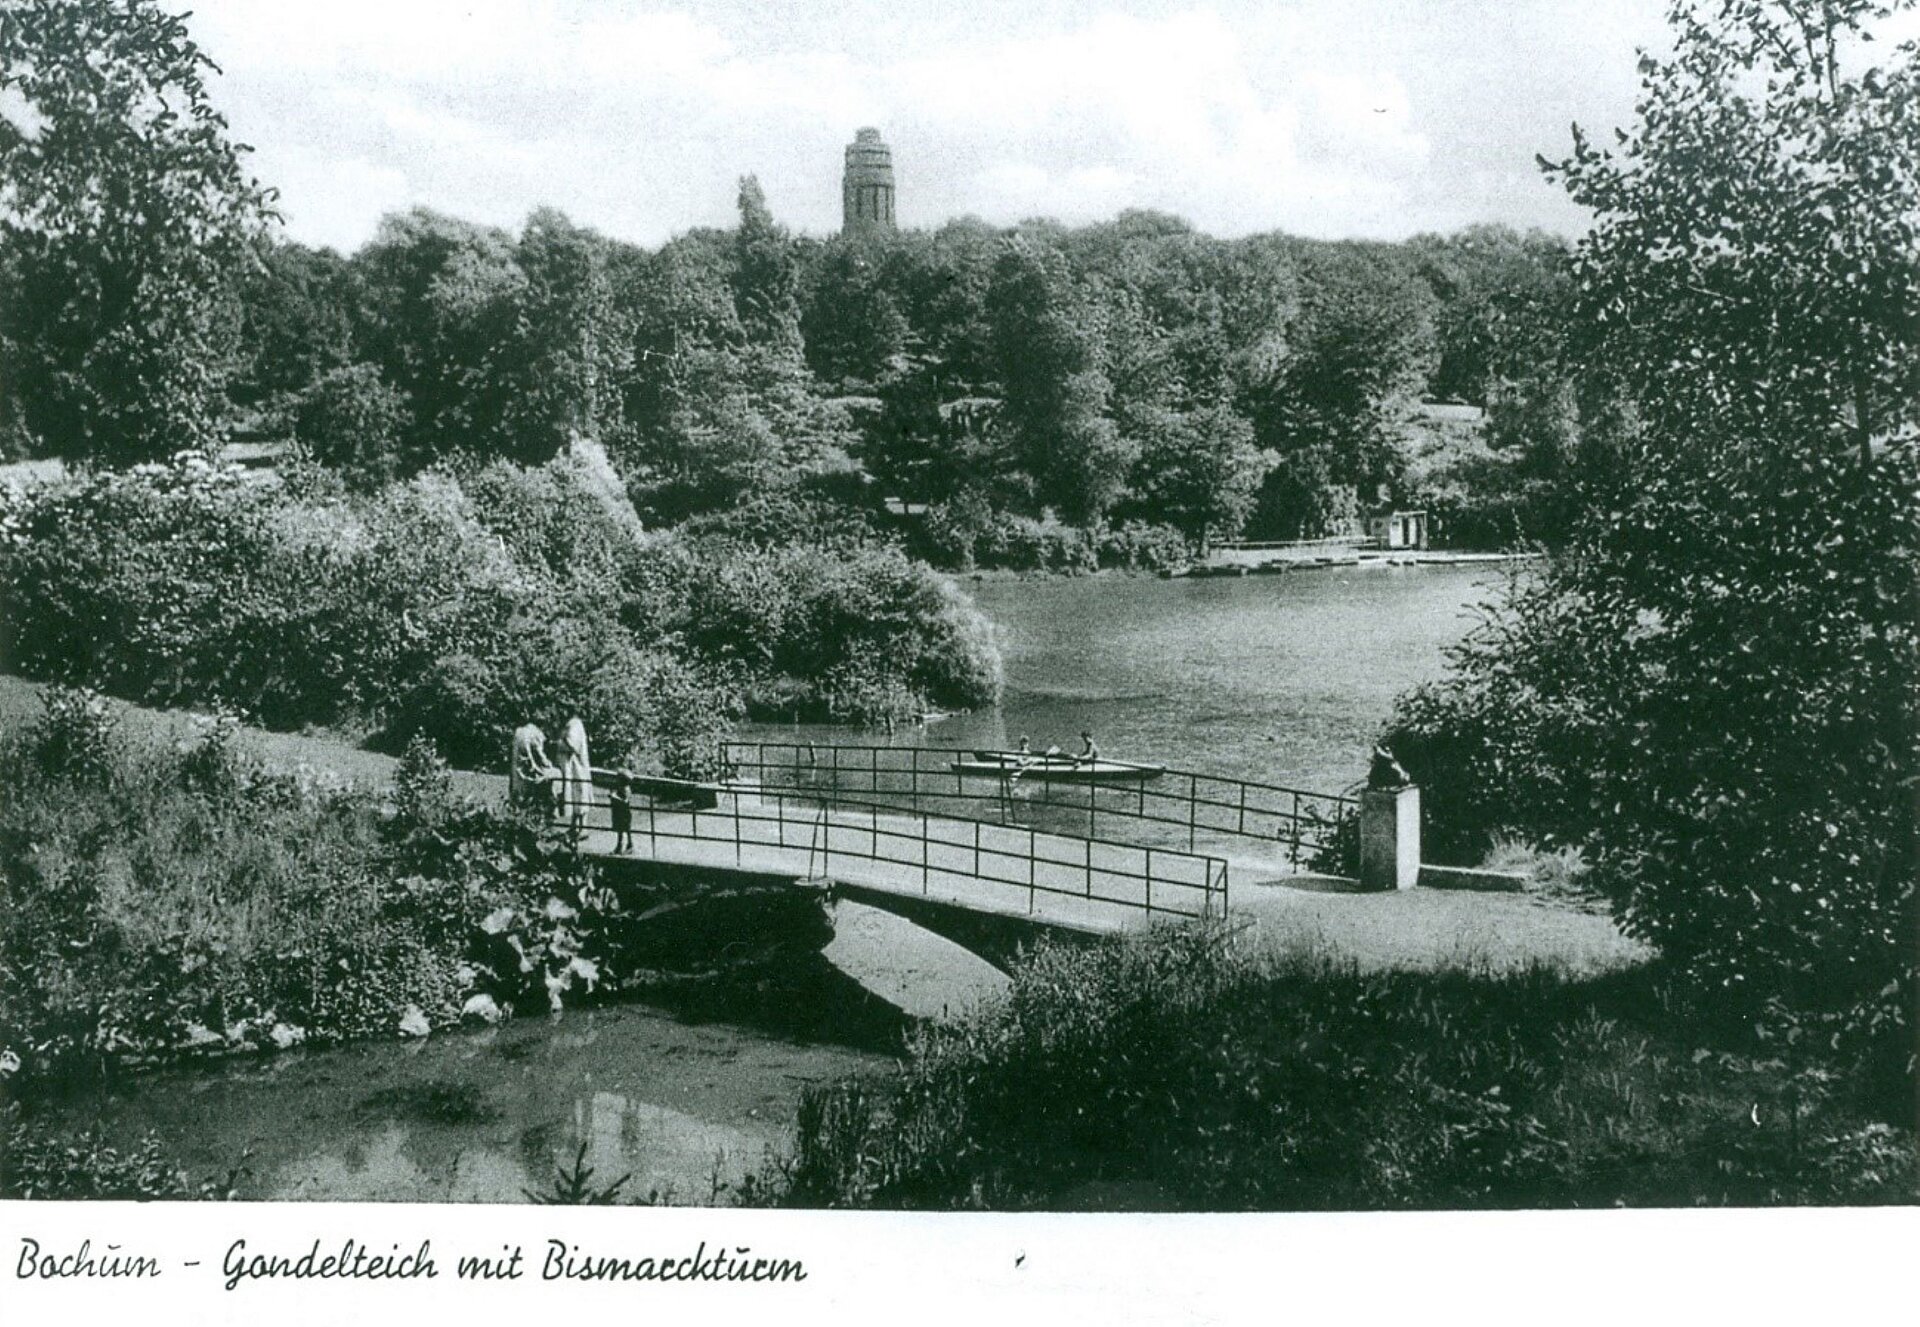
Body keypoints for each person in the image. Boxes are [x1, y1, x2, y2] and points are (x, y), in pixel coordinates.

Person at [510, 722, 561, 810]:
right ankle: (553, 803)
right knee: (557, 773)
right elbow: (540, 755)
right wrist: (548, 763)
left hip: (517, 767)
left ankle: (518, 803)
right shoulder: (538, 734)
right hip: (527, 771)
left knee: (518, 789)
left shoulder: (521, 731)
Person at [559, 716, 593, 833]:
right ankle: (575, 825)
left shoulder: (573, 725)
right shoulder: (572, 724)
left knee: (579, 794)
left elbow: (572, 745)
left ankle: (583, 828)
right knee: (576, 795)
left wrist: (557, 744)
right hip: (574, 766)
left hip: (577, 766)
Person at [608, 771, 635, 854]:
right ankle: (620, 846)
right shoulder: (621, 788)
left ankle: (629, 845)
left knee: (626, 829)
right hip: (621, 812)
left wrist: (613, 797)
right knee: (621, 830)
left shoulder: (625, 789)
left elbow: (624, 801)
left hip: (624, 813)